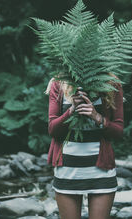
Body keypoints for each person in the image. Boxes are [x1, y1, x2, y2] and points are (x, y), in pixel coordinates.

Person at [44, 73, 124, 219]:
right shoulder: (59, 83)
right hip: (67, 170)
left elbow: (118, 131)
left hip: (101, 170)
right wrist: (71, 110)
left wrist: (97, 117)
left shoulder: (111, 83)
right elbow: (53, 130)